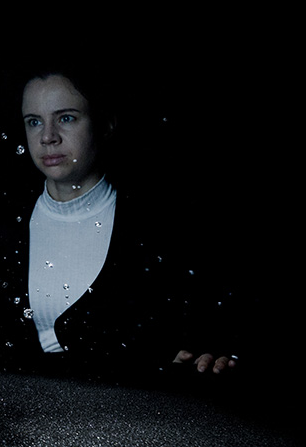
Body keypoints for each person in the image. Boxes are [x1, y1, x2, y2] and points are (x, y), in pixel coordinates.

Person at [13, 65, 237, 378]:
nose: (48, 137)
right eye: (34, 122)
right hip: (21, 413)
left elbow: (204, 324)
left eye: (66, 118)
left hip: (127, 416)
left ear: (104, 124)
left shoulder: (157, 224)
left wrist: (211, 354)